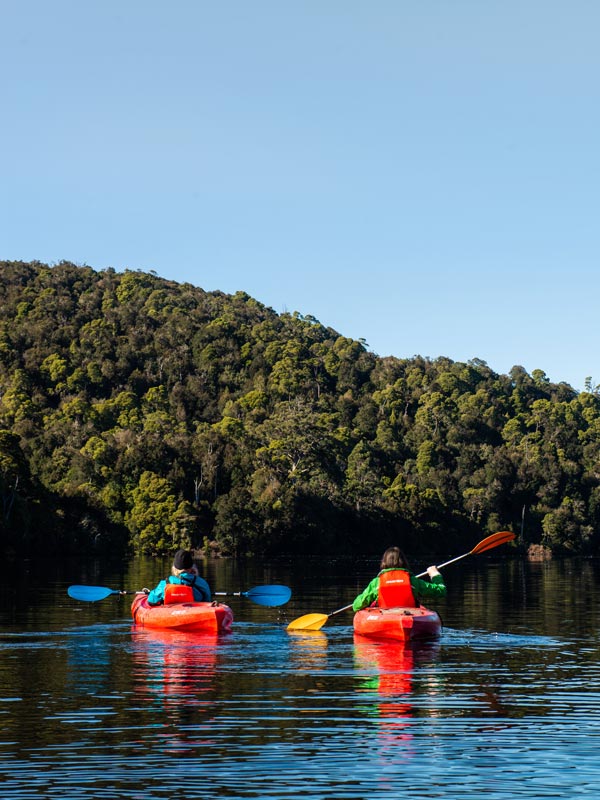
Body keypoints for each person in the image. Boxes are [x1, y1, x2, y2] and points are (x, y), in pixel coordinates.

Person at [352, 546, 446, 611]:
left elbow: (356, 605)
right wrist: (435, 574)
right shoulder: (412, 581)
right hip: (409, 615)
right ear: (404, 562)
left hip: (385, 616)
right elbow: (441, 590)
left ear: (384, 562)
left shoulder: (377, 582)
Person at [144, 549, 211, 605]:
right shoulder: (202, 583)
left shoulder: (166, 583)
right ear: (191, 567)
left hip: (171, 615)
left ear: (175, 567)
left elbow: (151, 600)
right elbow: (208, 602)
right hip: (194, 615)